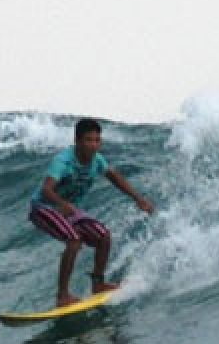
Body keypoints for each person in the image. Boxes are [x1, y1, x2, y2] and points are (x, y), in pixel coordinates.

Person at [29, 118, 154, 308]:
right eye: (89, 140)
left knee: (103, 236)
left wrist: (138, 198)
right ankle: (62, 295)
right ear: (77, 141)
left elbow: (115, 178)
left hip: (69, 211)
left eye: (97, 140)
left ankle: (98, 284)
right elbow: (47, 189)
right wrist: (61, 203)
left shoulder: (97, 160)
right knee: (74, 240)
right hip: (43, 208)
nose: (94, 145)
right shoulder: (63, 161)